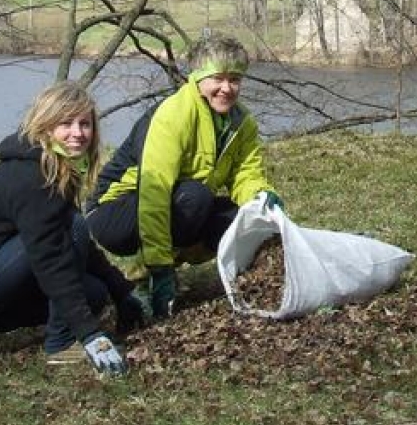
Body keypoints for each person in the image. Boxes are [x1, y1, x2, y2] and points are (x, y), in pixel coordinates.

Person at [0, 81, 144, 375]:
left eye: (85, 124)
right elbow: (52, 257)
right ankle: (59, 343)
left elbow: (77, 249)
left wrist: (121, 291)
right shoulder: (33, 176)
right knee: (74, 229)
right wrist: (89, 334)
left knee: (94, 293)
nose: (77, 133)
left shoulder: (57, 165)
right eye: (66, 123)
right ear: (45, 126)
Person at [86, 35, 281, 318]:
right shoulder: (173, 115)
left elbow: (246, 173)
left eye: (235, 79)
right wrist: (158, 266)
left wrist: (261, 196)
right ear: (198, 78)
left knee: (238, 217)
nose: (227, 88)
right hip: (113, 212)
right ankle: (145, 277)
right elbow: (154, 193)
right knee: (196, 196)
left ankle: (168, 262)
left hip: (178, 200)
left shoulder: (242, 123)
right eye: (218, 78)